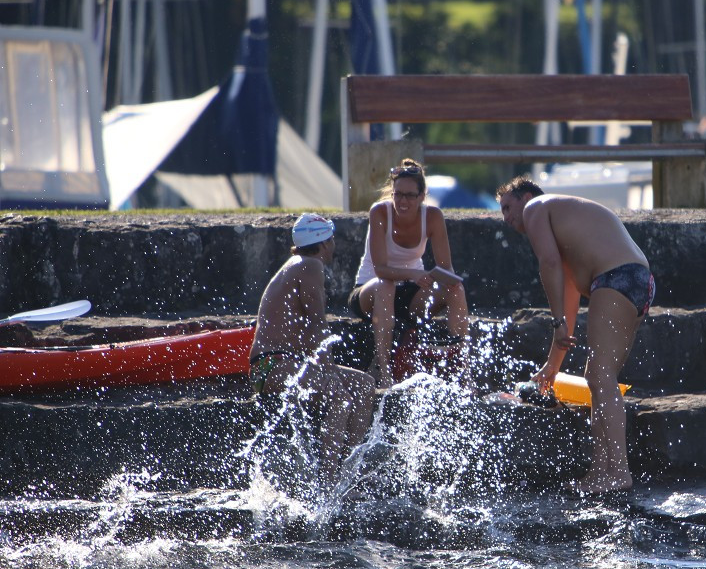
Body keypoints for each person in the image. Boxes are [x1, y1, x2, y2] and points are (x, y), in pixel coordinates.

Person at [496, 177, 654, 495]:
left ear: (526, 197)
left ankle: (619, 472)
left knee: (601, 376)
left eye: (508, 207)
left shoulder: (537, 208)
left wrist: (556, 323)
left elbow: (549, 264)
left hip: (617, 277)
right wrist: (553, 366)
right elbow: (568, 304)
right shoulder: (567, 232)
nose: (507, 218)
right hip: (638, 280)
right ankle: (600, 471)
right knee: (597, 377)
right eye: (502, 212)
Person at [250, 213, 375, 483]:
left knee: (364, 385)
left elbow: (307, 329)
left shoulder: (298, 265)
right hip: (271, 366)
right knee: (340, 397)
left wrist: (327, 370)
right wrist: (329, 371)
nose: (333, 245)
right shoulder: (310, 266)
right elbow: (317, 325)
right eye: (331, 240)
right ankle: (329, 484)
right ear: (325, 242)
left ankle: (348, 475)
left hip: (280, 364)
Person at [348, 159, 470, 387]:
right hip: (371, 291)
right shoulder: (379, 212)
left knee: (456, 289)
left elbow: (446, 268)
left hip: (411, 294)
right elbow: (380, 269)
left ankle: (462, 369)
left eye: (410, 196)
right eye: (398, 194)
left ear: (422, 196)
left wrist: (445, 281)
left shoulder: (433, 216)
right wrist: (413, 275)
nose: (403, 201)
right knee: (385, 284)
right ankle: (385, 373)